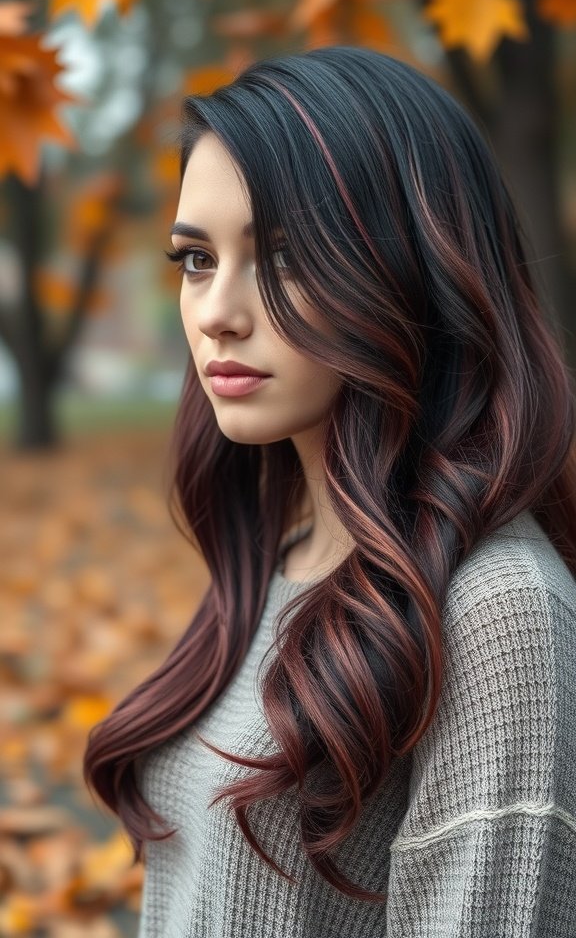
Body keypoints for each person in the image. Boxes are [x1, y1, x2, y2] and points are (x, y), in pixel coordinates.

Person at [84, 46, 576, 937]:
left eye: (282, 255)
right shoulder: (288, 548)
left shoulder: (498, 610)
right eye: (196, 260)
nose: (216, 312)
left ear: (412, 266)